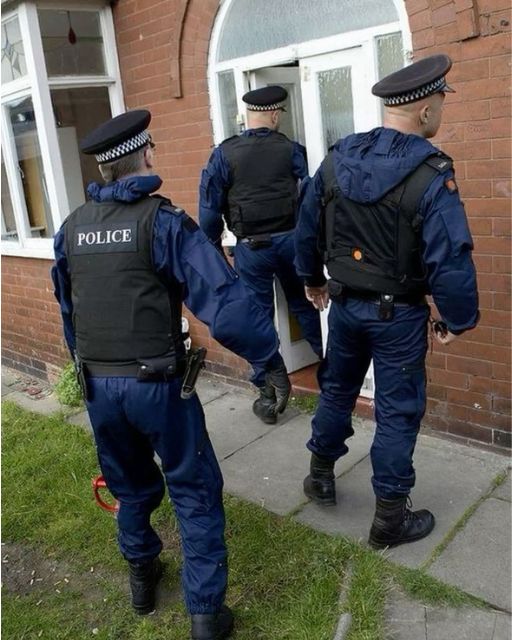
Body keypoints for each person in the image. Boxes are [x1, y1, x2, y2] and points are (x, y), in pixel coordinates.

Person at [51, 110, 291, 640]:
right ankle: (205, 615)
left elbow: (70, 309)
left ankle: (142, 577)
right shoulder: (163, 223)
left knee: (130, 484)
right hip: (157, 386)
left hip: (98, 383)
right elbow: (224, 301)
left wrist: (85, 368)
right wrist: (268, 358)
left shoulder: (72, 228)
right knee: (193, 488)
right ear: (147, 154)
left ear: (105, 168)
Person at [295, 55, 479, 548]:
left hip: (345, 308)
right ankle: (389, 520)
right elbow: (450, 256)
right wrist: (457, 318)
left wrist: (312, 279)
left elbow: (306, 226)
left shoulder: (339, 158)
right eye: (440, 103)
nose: (441, 112)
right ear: (425, 110)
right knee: (396, 412)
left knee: (337, 390)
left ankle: (320, 475)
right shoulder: (432, 173)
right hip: (398, 316)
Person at [199, 85, 323, 425]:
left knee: (257, 317)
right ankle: (331, 372)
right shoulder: (291, 149)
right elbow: (311, 195)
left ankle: (268, 393)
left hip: (251, 247)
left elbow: (208, 211)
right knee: (305, 304)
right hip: (292, 242)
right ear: (274, 114)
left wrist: (215, 250)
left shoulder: (224, 154)